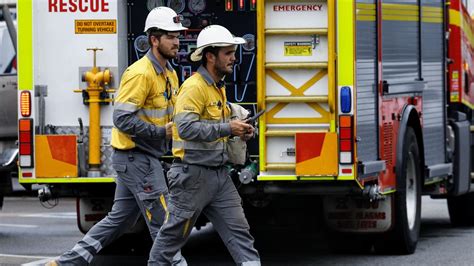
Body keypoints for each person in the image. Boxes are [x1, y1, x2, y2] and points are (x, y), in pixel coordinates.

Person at [46, 7, 188, 266]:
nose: (177, 41)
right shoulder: (140, 73)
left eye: (178, 35)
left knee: (119, 220)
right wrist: (159, 132)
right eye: (170, 36)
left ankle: (65, 263)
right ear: (154, 40)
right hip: (137, 158)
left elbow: (177, 113)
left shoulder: (169, 74)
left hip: (140, 158)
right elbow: (121, 119)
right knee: (166, 225)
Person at [148, 25, 261, 266]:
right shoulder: (194, 87)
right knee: (169, 242)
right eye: (228, 53)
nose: (234, 58)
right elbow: (186, 129)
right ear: (210, 56)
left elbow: (217, 128)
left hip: (219, 176)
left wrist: (241, 130)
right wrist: (228, 128)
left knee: (241, 236)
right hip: (192, 177)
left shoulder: (217, 87)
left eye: (234, 52)